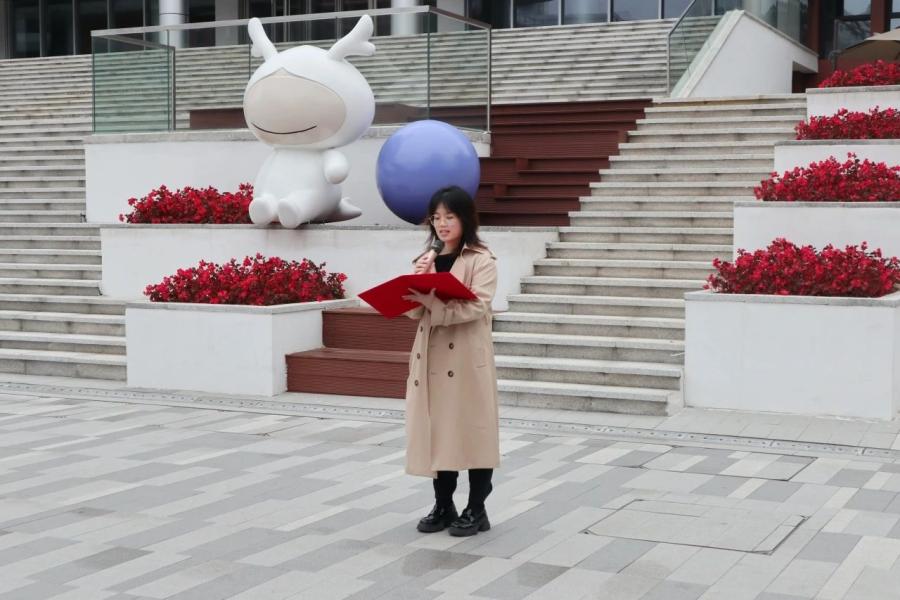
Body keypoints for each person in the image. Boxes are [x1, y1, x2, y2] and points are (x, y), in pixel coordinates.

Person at [401, 185, 500, 537]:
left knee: (474, 431)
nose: (442, 224)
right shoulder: (427, 258)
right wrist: (416, 285)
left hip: (467, 360)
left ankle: (477, 508)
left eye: (450, 217)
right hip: (431, 357)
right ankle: (444, 505)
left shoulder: (481, 259)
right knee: (438, 431)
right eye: (436, 217)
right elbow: (415, 311)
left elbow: (478, 306)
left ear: (465, 219)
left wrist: (433, 302)